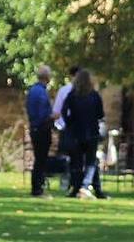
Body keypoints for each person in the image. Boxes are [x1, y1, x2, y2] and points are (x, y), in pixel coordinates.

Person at [62, 69, 105, 199]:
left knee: (77, 162)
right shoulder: (94, 95)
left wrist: (70, 123)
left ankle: (76, 187)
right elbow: (100, 114)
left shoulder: (72, 95)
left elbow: (65, 112)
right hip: (91, 132)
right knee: (91, 161)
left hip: (76, 132)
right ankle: (85, 186)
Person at [25, 65, 55, 198]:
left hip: (34, 128)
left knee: (39, 158)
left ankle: (37, 187)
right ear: (47, 77)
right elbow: (43, 114)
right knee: (41, 160)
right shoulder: (41, 92)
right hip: (42, 129)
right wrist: (53, 116)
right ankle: (37, 189)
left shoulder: (33, 90)